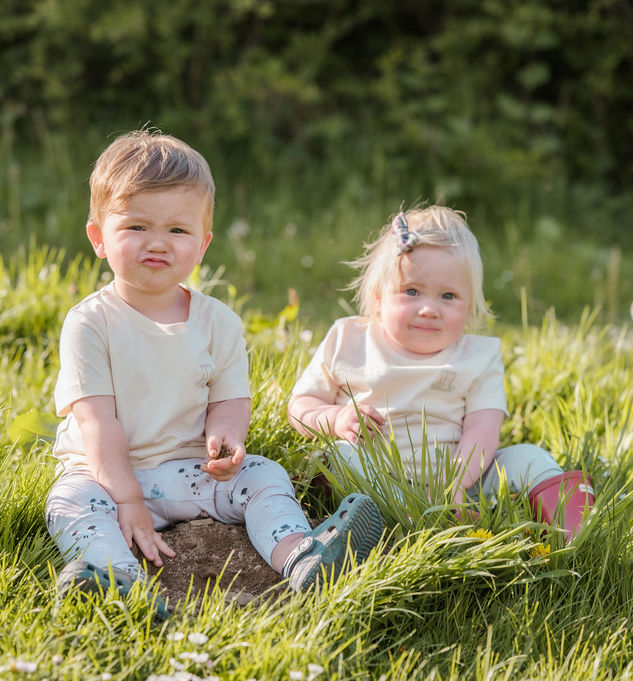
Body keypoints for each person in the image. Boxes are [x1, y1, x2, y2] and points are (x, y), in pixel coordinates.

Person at [45, 130, 383, 617]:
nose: (158, 243)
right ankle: (115, 579)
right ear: (99, 238)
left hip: (183, 473)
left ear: (202, 245)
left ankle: (302, 556)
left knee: (263, 474)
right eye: (136, 227)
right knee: (71, 503)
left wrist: (226, 439)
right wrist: (126, 499)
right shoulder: (90, 323)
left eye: (177, 231)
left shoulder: (218, 322)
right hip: (101, 474)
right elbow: (98, 424)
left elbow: (229, 400)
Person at [287, 206, 593, 541]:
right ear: (378, 297)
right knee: (341, 458)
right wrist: (335, 418)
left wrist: (455, 484)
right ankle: (402, 515)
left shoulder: (477, 357)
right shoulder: (350, 340)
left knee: (529, 457)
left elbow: (483, 429)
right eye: (412, 291)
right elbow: (301, 405)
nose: (429, 309)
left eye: (448, 296)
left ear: (470, 305)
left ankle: (575, 533)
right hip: (377, 475)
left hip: (462, 481)